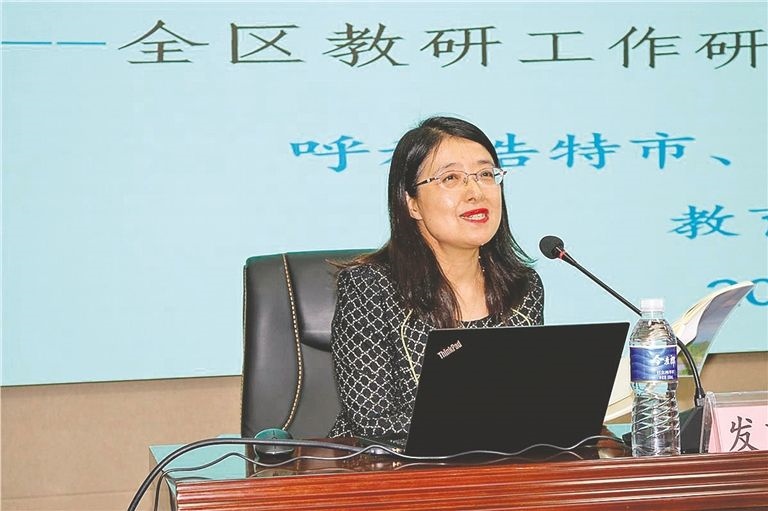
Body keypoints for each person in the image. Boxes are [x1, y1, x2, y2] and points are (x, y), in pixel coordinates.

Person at [328, 116, 544, 439]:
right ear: (411, 203)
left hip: (495, 463)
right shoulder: (369, 287)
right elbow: (372, 422)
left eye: (486, 174)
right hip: (385, 465)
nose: (476, 192)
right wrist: (488, 416)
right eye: (451, 178)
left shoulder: (522, 288)